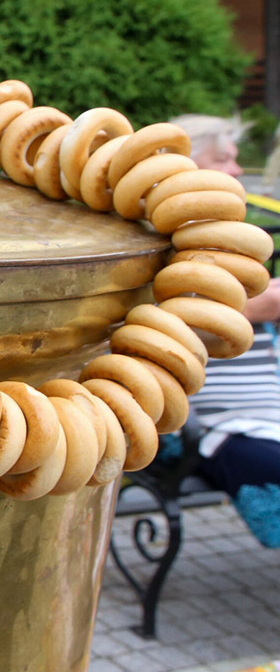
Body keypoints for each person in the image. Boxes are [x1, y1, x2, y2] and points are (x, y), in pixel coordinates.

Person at [171, 114, 280, 547]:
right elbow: (147, 321)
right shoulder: (150, 241)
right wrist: (257, 307)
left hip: (265, 412)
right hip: (207, 423)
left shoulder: (228, 242)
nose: (237, 171)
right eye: (224, 160)